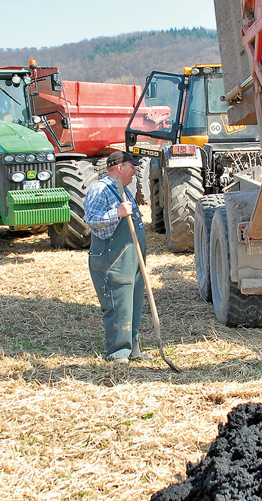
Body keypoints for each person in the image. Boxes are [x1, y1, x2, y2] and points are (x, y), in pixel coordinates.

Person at [84, 150, 152, 364]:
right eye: (132, 166)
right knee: (118, 305)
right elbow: (92, 221)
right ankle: (118, 353)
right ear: (119, 167)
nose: (135, 171)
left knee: (133, 304)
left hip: (132, 260)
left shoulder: (124, 190)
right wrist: (118, 213)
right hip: (113, 260)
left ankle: (133, 349)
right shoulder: (100, 189)